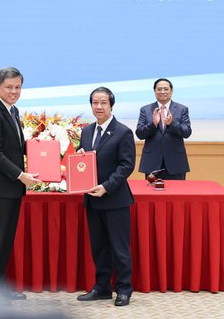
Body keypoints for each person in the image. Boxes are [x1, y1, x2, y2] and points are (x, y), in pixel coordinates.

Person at [0, 67, 41, 303]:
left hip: (12, 188)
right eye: (9, 87)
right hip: (0, 188)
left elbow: (16, 147)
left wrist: (43, 150)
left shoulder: (13, 111)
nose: (14, 91)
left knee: (5, 241)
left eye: (17, 87)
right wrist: (20, 175)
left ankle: (1, 287)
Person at [76, 87, 135, 307]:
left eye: (103, 102)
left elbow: (126, 165)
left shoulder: (123, 132)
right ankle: (102, 288)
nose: (98, 106)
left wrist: (106, 187)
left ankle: (123, 289)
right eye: (95, 102)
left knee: (119, 248)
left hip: (115, 199)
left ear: (111, 105)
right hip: (92, 199)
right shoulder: (87, 131)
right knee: (99, 247)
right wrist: (80, 156)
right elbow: (84, 162)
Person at [136, 78, 192, 180]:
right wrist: (153, 124)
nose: (162, 92)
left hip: (176, 162)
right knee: (152, 194)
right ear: (155, 91)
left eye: (166, 89)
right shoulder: (145, 109)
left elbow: (187, 132)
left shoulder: (182, 109)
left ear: (171, 91)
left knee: (176, 194)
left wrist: (172, 124)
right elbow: (140, 134)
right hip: (152, 162)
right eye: (159, 89)